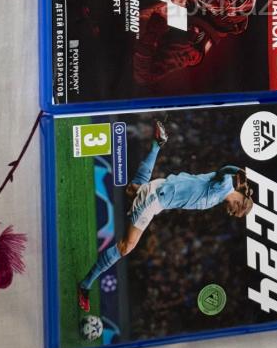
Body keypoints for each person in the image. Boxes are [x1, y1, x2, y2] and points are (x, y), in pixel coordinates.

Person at [77, 121, 253, 312]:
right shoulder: (224, 185)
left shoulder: (220, 197)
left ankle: (157, 145)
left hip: (161, 190)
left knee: (133, 190)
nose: (231, 213)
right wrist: (237, 171)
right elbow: (224, 170)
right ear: (239, 202)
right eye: (235, 211)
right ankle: (85, 286)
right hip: (157, 199)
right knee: (126, 247)